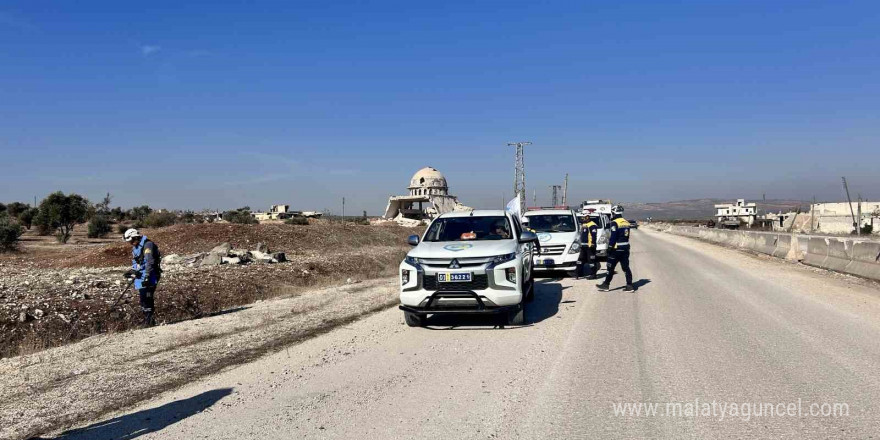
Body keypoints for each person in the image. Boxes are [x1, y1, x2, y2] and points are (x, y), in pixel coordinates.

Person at [124, 228, 162, 326]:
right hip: (141, 277)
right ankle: (148, 320)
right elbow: (137, 263)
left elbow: (150, 262)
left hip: (151, 276)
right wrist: (132, 271)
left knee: (147, 298)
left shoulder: (148, 245)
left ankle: (149, 321)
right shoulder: (136, 247)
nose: (131, 243)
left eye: (132, 241)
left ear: (136, 237)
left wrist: (147, 276)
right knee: (142, 299)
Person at [597, 205, 634, 292]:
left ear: (614, 212)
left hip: (616, 249)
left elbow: (613, 236)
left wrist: (609, 247)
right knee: (626, 267)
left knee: (610, 267)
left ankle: (606, 285)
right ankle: (629, 285)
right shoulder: (626, 222)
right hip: (625, 248)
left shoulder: (614, 223)